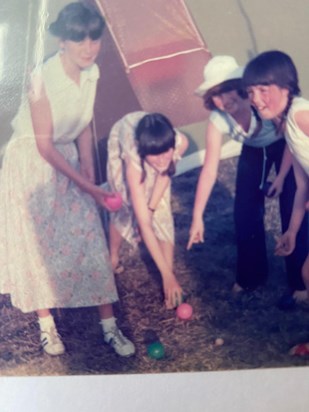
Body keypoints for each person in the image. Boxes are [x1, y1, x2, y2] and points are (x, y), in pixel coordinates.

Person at [0, 2, 135, 357]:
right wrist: (89, 187)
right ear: (62, 41)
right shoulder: (40, 78)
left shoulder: (92, 72)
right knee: (40, 245)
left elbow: (84, 130)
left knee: (90, 238)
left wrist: (90, 172)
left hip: (69, 158)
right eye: (80, 40)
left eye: (95, 39)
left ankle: (109, 327)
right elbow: (44, 146)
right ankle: (48, 328)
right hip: (32, 161)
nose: (89, 47)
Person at [187, 55, 308, 303]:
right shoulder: (222, 119)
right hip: (256, 150)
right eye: (217, 96)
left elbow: (292, 142)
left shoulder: (276, 109)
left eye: (231, 90)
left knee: (292, 203)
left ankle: (299, 284)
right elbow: (209, 169)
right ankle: (250, 277)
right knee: (245, 209)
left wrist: (282, 177)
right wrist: (197, 216)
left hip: (283, 146)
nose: (226, 99)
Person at [243, 50, 309, 355]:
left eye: (263, 89)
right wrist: (293, 232)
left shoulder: (300, 114)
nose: (256, 99)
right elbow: (302, 186)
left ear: (286, 87)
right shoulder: (286, 127)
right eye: (251, 92)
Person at [105, 111, 188, 309]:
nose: (161, 160)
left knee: (162, 209)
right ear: (144, 153)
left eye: (165, 152)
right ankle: (113, 257)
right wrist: (145, 217)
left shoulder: (179, 142)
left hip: (149, 139)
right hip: (122, 138)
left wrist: (151, 208)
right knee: (124, 203)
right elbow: (144, 225)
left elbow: (164, 174)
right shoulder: (133, 161)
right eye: (155, 155)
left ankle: (168, 280)